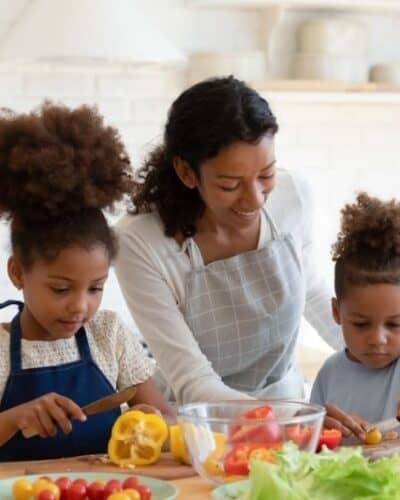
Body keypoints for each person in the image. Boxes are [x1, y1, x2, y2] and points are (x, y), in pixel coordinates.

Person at [115, 75, 345, 409]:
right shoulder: (140, 241)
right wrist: (292, 418)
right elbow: (192, 380)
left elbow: (310, 289)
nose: (255, 199)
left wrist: (384, 357)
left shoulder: (292, 195)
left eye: (266, 175)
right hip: (200, 427)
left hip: (289, 407)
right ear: (186, 172)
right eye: (230, 184)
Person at [0, 103, 171, 461]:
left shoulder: (108, 335)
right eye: (61, 289)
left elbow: (165, 423)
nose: (81, 305)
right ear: (17, 273)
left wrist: (154, 424)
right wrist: (15, 418)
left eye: (96, 288)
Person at [311, 192, 400, 440]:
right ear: (337, 312)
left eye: (395, 324)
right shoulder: (329, 374)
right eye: (361, 324)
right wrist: (317, 432)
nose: (378, 339)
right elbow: (310, 442)